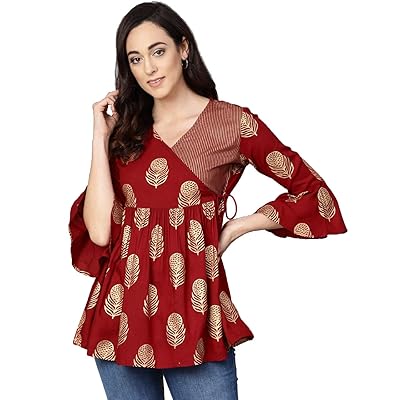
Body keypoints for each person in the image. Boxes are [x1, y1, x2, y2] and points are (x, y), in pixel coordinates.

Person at [67, 1, 348, 399]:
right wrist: (100, 136)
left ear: (183, 48)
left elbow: (313, 193)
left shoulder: (231, 123)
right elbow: (98, 232)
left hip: (196, 316)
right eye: (135, 59)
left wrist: (238, 226)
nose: (149, 68)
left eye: (158, 51)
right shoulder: (126, 131)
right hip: (121, 317)